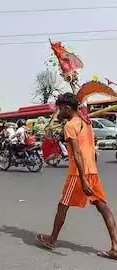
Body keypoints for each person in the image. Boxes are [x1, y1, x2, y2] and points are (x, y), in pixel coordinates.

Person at [36, 93, 117, 260]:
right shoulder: (86, 122)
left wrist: (83, 179)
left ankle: (52, 240)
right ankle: (115, 247)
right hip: (92, 170)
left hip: (78, 174)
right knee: (103, 207)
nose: (57, 111)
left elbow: (78, 154)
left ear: (67, 108)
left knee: (62, 205)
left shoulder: (70, 126)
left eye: (59, 108)